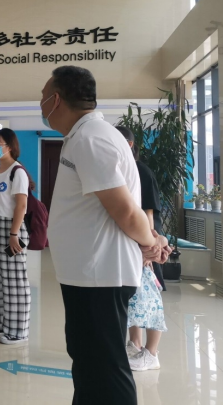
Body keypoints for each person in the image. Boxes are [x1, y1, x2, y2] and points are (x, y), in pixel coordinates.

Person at [40, 66, 169, 405]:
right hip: (90, 274)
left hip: (99, 275)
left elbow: (125, 210)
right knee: (90, 364)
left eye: (43, 97)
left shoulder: (91, 138)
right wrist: (150, 239)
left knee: (104, 369)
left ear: (56, 100)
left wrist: (150, 242)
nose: (40, 104)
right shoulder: (85, 136)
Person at [115, 126, 168, 372]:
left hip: (147, 241)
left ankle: (151, 353)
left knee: (151, 298)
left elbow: (148, 213)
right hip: (133, 241)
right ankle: (135, 345)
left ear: (129, 144)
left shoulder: (141, 171)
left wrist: (147, 247)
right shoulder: (121, 170)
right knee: (134, 297)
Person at [0, 128, 31, 346]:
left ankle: (18, 331)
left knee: (15, 282)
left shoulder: (17, 171)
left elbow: (21, 205)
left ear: (9, 146)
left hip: (12, 229)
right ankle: (0, 324)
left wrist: (13, 234)